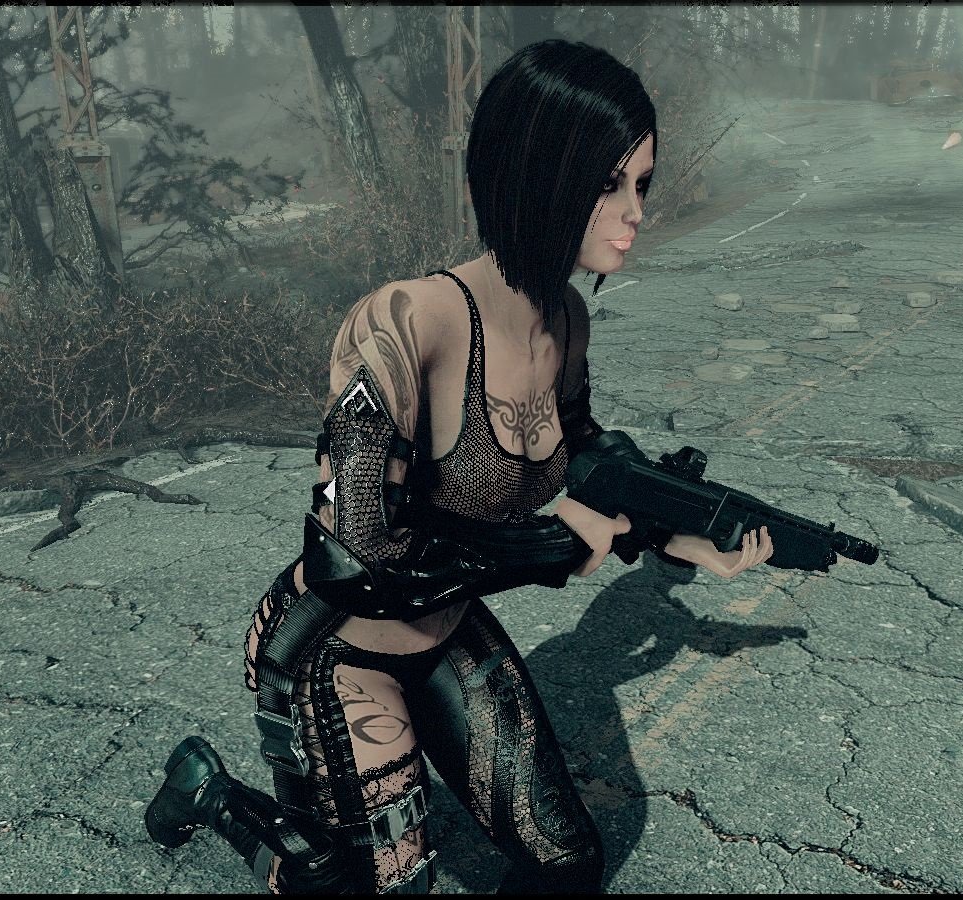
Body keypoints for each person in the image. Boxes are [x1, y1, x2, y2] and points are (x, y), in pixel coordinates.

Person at [144, 39, 776, 895]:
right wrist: (555, 547)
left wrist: (677, 533)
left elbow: (586, 459)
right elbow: (354, 559)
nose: (634, 211)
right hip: (339, 649)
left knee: (568, 866)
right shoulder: (406, 321)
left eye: (641, 184)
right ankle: (211, 794)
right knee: (357, 884)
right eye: (608, 184)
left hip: (446, 630)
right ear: (535, 174)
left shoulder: (568, 321)